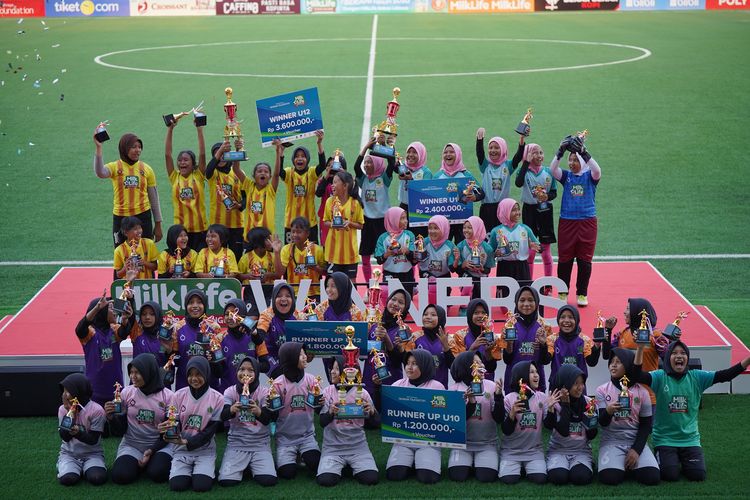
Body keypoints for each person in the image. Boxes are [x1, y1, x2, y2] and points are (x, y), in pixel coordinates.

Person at [634, 341, 750, 482]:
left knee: (698, 475)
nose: (679, 356)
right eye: (674, 353)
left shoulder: (697, 377)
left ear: (687, 358)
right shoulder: (659, 377)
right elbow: (637, 375)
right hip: (664, 440)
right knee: (670, 475)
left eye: (683, 353)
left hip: (690, 440)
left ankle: (682, 458)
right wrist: (640, 348)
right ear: (668, 358)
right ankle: (667, 457)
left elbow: (726, 375)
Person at [550, 134, 602, 306]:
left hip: (587, 222)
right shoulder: (567, 177)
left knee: (584, 259)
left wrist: (584, 152)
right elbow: (552, 170)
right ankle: (563, 292)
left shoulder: (590, 177)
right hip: (567, 222)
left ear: (583, 161)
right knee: (565, 258)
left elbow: (597, 170)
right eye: (570, 160)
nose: (571, 163)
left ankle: (582, 294)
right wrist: (560, 152)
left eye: (575, 159)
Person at [596, 348, 660, 486]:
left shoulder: (642, 392)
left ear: (628, 366)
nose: (613, 365)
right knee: (610, 478)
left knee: (652, 477)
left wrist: (636, 450)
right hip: (611, 441)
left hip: (634, 440)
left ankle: (630, 462)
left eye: (618, 362)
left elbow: (645, 426)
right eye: (611, 362)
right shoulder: (602, 390)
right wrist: (607, 412)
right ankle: (622, 465)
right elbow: (602, 423)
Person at [107, 353, 174, 484]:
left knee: (158, 473)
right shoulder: (126, 393)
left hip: (159, 445)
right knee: (120, 476)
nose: (133, 377)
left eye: (137, 372)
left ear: (149, 372)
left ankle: (150, 462)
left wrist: (152, 450)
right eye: (131, 372)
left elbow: (170, 433)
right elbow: (120, 431)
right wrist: (112, 418)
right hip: (132, 445)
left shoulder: (168, 396)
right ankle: (138, 463)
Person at [161, 356, 224, 493]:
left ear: (206, 373)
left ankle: (204, 469)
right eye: (190, 374)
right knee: (177, 486)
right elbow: (174, 423)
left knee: (201, 486)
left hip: (205, 451)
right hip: (181, 451)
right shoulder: (178, 396)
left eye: (198, 374)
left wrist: (185, 442)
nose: (194, 378)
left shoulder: (218, 398)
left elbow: (210, 431)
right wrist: (167, 432)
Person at [316, 356, 380, 486]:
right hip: (332, 448)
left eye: (336, 369)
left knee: (371, 479)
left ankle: (349, 465)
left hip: (358, 447)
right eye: (331, 368)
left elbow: (376, 424)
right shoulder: (327, 392)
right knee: (325, 481)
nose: (332, 372)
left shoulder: (362, 393)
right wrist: (330, 413)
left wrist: (372, 412)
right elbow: (322, 422)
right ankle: (343, 466)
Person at [385, 350, 446, 484]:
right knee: (394, 475)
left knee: (428, 478)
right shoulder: (397, 385)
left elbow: (442, 419)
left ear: (424, 365)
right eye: (407, 363)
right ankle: (410, 460)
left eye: (414, 364)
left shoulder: (437, 387)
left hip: (428, 443)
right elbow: (388, 413)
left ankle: (420, 460)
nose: (409, 367)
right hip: (402, 441)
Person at [93, 131, 163, 246]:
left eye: (139, 147)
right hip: (121, 217)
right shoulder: (115, 167)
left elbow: (154, 199)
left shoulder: (147, 169)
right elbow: (100, 172)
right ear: (124, 148)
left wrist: (158, 224)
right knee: (122, 255)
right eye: (133, 147)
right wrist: (99, 147)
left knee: (145, 254)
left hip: (143, 217)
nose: (138, 150)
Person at [218, 357, 278, 487]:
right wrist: (232, 410)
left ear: (256, 373)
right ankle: (245, 465)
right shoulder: (230, 391)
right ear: (236, 372)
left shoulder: (264, 392)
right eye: (242, 369)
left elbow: (268, 419)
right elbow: (222, 416)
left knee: (268, 481)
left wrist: (258, 412)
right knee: (226, 482)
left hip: (260, 444)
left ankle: (250, 465)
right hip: (237, 443)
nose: (245, 373)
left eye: (251, 370)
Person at [448, 351, 504, 482]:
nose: (481, 365)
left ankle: (479, 462)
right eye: (476, 363)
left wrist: (499, 397)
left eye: (481, 362)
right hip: (462, 445)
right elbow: (454, 423)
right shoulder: (454, 389)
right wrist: (471, 403)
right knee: (457, 476)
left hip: (487, 444)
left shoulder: (491, 386)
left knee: (486, 477)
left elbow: (499, 419)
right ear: (465, 366)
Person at [499, 361, 559, 485]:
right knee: (509, 480)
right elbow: (506, 430)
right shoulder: (509, 399)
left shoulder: (542, 397)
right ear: (521, 376)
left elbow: (549, 426)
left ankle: (526, 467)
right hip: (511, 451)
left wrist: (551, 409)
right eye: (531, 372)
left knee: (540, 479)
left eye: (536, 372)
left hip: (534, 451)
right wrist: (512, 414)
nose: (536, 375)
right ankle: (518, 467)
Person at [75, 289, 134, 407]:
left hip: (116, 389)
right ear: (101, 312)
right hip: (94, 390)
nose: (115, 313)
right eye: (111, 309)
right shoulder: (90, 333)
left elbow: (125, 330)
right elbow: (79, 329)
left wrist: (127, 317)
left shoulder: (114, 329)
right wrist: (96, 308)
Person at [272, 342, 321, 480]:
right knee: (287, 474)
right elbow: (272, 416)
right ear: (290, 358)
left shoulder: (311, 380)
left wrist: (321, 404)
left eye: (304, 353)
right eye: (300, 355)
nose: (305, 357)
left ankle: (303, 453)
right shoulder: (277, 384)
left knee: (316, 464)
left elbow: (319, 410)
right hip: (285, 438)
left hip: (307, 436)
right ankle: (291, 455)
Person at [604, 297, 666, 405]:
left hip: (648, 395)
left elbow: (668, 359)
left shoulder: (655, 336)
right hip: (625, 395)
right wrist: (608, 330)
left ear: (636, 312)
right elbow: (606, 355)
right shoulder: (622, 333)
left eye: (628, 309)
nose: (624, 312)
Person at [544, 364, 597, 486]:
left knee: (580, 477)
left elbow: (592, 435)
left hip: (581, 451)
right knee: (558, 478)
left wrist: (590, 420)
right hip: (558, 450)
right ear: (565, 385)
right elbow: (563, 431)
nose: (580, 387)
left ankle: (585, 464)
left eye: (582, 383)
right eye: (576, 383)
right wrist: (565, 405)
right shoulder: (554, 403)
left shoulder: (589, 402)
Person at [514, 139, 556, 281]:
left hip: (545, 212)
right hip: (529, 211)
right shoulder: (524, 171)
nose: (539, 156)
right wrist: (526, 162)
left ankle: (548, 284)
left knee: (545, 251)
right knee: (530, 251)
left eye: (541, 152)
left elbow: (554, 193)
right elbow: (518, 183)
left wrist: (546, 196)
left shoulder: (549, 172)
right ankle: (528, 282)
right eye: (535, 153)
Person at [354, 137, 395, 282]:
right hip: (367, 222)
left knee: (385, 254)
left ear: (377, 163)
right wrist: (366, 147)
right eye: (366, 162)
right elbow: (355, 167)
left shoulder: (384, 178)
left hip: (382, 222)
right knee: (365, 256)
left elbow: (392, 162)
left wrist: (384, 147)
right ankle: (368, 285)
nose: (366, 165)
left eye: (370, 162)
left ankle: (384, 282)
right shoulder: (363, 179)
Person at [56, 373, 107, 486]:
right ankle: (67, 465)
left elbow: (93, 440)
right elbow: (65, 437)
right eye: (63, 391)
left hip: (92, 454)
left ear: (78, 392)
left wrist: (78, 433)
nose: (64, 395)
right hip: (69, 454)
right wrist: (70, 415)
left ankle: (86, 468)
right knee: (68, 480)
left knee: (97, 478)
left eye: (67, 391)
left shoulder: (97, 410)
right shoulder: (62, 409)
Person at [164, 118, 207, 251]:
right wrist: (170, 129)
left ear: (193, 163)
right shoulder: (174, 177)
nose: (182, 162)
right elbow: (167, 154)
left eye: (186, 160)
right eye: (180, 160)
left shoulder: (198, 176)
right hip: (181, 231)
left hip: (200, 229)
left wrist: (199, 129)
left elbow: (202, 154)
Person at [279, 130, 327, 243]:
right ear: (293, 160)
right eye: (297, 156)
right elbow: (279, 172)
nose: (300, 158)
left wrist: (319, 143)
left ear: (307, 160)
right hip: (291, 223)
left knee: (311, 255)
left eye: (303, 156)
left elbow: (322, 165)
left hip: (309, 223)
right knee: (290, 253)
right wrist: (281, 151)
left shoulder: (311, 173)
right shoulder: (289, 173)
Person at [365, 289, 412, 404]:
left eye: (401, 302)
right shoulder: (373, 324)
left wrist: (386, 339)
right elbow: (363, 354)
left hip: (391, 379)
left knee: (388, 417)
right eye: (393, 299)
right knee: (369, 415)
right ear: (387, 301)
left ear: (405, 308)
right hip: (369, 376)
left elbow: (400, 360)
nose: (395, 304)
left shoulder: (405, 331)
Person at [501, 286, 552, 394]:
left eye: (531, 300)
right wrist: (509, 344)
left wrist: (543, 345)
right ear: (516, 302)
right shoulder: (509, 326)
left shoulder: (544, 326)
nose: (526, 304)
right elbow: (507, 360)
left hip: (536, 383)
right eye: (522, 300)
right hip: (514, 382)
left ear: (537, 302)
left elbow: (546, 361)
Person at [171, 289, 223, 391]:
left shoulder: (214, 327)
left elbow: (219, 358)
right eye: (191, 303)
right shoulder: (177, 327)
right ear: (186, 306)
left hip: (209, 383)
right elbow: (175, 358)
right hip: (185, 382)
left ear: (205, 306)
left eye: (199, 302)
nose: (195, 306)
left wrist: (213, 358)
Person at [434, 143, 484, 244]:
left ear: (458, 154)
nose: (448, 154)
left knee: (462, 247)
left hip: (463, 221)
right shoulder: (438, 176)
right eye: (445, 152)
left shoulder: (466, 174)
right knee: (443, 247)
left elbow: (481, 193)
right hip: (444, 221)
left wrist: (474, 197)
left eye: (452, 152)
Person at [206, 140, 246, 259]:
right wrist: (221, 150)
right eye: (218, 154)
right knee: (217, 259)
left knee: (237, 258)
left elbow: (246, 198)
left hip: (236, 225)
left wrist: (238, 205)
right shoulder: (212, 174)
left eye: (225, 154)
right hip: (218, 225)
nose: (222, 157)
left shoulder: (238, 173)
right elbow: (208, 170)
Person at [218, 299, 268, 393]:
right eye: (227, 314)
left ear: (243, 316)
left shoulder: (255, 336)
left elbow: (266, 366)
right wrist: (212, 361)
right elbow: (218, 373)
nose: (230, 317)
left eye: (234, 313)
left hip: (251, 393)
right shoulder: (219, 339)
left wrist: (249, 367)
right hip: (227, 393)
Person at [487, 198, 541, 286]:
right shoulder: (496, 231)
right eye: (513, 210)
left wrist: (535, 247)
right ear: (505, 212)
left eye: (518, 209)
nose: (518, 213)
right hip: (504, 268)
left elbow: (540, 247)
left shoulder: (525, 229)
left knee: (523, 295)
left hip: (522, 268)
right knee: (504, 297)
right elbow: (489, 252)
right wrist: (495, 254)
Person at [322, 170, 365, 279]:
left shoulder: (355, 204)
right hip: (332, 253)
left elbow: (361, 225)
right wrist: (333, 224)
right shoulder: (329, 202)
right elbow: (325, 221)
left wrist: (349, 223)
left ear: (345, 186)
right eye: (332, 182)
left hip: (350, 254)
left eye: (335, 182)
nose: (332, 185)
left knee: (351, 285)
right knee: (332, 284)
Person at [476, 129, 521, 231]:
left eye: (497, 148)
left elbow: (518, 158)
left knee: (503, 238)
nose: (493, 150)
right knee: (487, 236)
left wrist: (521, 141)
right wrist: (479, 140)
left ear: (503, 149)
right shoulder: (485, 165)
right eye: (490, 147)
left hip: (503, 208)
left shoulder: (508, 166)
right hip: (486, 208)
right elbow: (480, 154)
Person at [546, 305, 600, 391]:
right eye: (562, 317)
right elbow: (545, 360)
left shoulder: (584, 340)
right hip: (557, 387)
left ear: (577, 320)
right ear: (558, 320)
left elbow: (591, 362)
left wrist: (597, 345)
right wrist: (542, 344)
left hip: (578, 387)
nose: (566, 321)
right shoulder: (551, 339)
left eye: (571, 317)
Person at [449, 298, 504, 380]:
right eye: (476, 313)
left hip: (487, 383)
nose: (480, 316)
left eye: (483, 313)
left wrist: (488, 351)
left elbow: (491, 368)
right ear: (470, 315)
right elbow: (458, 365)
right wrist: (472, 348)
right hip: (466, 383)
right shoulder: (460, 335)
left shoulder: (493, 337)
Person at [275, 216, 327, 301]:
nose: (295, 235)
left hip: (314, 294)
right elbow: (280, 273)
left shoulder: (318, 250)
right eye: (293, 232)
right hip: (292, 294)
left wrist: (315, 268)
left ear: (307, 233)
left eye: (299, 232)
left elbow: (326, 272)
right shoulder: (286, 249)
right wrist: (277, 253)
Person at [403, 304, 454, 389]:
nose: (428, 317)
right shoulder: (415, 337)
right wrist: (401, 347)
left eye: (433, 315)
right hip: (418, 388)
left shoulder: (448, 339)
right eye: (425, 314)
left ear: (441, 318)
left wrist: (446, 348)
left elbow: (453, 367)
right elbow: (406, 361)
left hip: (439, 389)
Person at [256, 283, 298, 377]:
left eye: (288, 296)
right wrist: (255, 334)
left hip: (291, 358)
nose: (283, 299)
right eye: (279, 296)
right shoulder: (267, 314)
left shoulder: (298, 316)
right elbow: (260, 334)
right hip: (271, 357)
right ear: (274, 299)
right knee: (279, 376)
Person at [235, 150, 279, 238]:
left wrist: (278, 152)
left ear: (270, 177)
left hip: (267, 237)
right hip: (249, 236)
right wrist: (238, 150)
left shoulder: (271, 189)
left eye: (266, 172)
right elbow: (236, 169)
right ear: (254, 175)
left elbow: (277, 174)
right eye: (259, 171)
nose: (263, 173)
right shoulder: (249, 186)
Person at [374, 207, 416, 298]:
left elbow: (415, 259)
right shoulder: (383, 238)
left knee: (407, 300)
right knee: (386, 294)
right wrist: (387, 254)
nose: (406, 221)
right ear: (393, 220)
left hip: (407, 274)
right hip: (389, 273)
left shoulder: (409, 235)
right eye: (402, 218)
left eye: (406, 218)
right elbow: (379, 260)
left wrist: (407, 251)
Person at [417, 214, 457, 306]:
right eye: (430, 228)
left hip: (444, 275)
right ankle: (431, 305)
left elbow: (452, 269)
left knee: (444, 304)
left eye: (436, 228)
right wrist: (416, 254)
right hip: (426, 273)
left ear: (444, 229)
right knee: (432, 283)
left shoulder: (450, 246)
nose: (432, 231)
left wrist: (456, 260)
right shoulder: (423, 242)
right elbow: (415, 259)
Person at [396, 141, 432, 240]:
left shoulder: (426, 172)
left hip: (419, 210)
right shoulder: (403, 167)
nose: (410, 155)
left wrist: (411, 179)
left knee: (419, 239)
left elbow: (424, 193)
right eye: (409, 152)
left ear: (421, 154)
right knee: (402, 238)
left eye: (414, 152)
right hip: (404, 207)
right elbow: (392, 166)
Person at [237, 227, 282, 300]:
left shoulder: (273, 256)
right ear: (259, 242)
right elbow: (238, 276)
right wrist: (248, 276)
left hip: (269, 291)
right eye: (268, 239)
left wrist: (268, 275)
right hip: (250, 292)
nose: (271, 241)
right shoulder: (246, 258)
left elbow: (279, 275)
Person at [315, 148, 348, 246]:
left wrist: (344, 175)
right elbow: (318, 193)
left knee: (340, 245)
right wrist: (327, 176)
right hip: (326, 220)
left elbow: (351, 192)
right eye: (329, 166)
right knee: (326, 244)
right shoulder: (323, 182)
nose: (331, 168)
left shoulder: (347, 182)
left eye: (335, 165)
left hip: (342, 218)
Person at [455, 216, 493, 300]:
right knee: (467, 284)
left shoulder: (487, 248)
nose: (466, 230)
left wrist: (482, 268)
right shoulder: (460, 246)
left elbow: (488, 270)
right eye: (464, 227)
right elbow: (457, 269)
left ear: (478, 228)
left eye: (469, 227)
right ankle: (464, 305)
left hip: (482, 280)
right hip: (466, 278)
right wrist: (463, 265)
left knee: (480, 301)